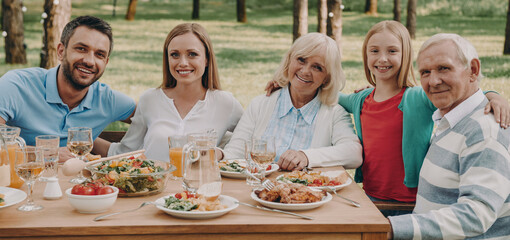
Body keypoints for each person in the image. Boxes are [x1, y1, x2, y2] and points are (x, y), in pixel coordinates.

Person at [335, 21, 510, 216]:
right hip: (371, 196)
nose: (382, 58)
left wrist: (495, 96)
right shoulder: (360, 99)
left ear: (406, 55)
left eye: (392, 51)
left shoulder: (417, 97)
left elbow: (465, 94)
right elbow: (331, 96)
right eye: (374, 51)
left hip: (411, 202)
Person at [387, 33, 510, 239]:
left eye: (444, 68)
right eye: (425, 72)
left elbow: (475, 216)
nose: (433, 81)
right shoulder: (453, 120)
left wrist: (391, 229)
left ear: (473, 70)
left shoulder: (484, 131)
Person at [222, 33, 362, 171]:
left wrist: (306, 157)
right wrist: (217, 154)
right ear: (289, 61)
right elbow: (235, 152)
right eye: (301, 60)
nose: (306, 71)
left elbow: (353, 153)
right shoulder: (260, 105)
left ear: (326, 78)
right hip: (257, 191)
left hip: (308, 192)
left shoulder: (334, 113)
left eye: (317, 67)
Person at [0, 16, 136, 158]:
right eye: (81, 49)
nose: (90, 61)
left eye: (99, 54)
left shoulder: (108, 100)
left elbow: (152, 116)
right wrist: (48, 155)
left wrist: (116, 150)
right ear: (60, 51)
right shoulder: (17, 85)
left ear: (106, 62)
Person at [107, 23, 243, 162]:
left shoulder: (225, 103)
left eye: (192, 54)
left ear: (207, 59)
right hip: (154, 183)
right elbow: (125, 152)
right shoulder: (150, 99)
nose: (183, 62)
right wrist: (88, 142)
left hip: (199, 183)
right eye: (175, 55)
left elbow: (252, 138)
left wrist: (221, 154)